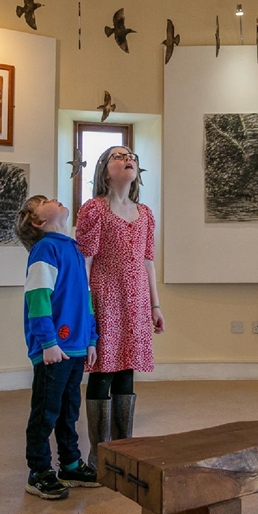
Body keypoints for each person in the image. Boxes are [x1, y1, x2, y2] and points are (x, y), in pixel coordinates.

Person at [75, 145, 165, 468]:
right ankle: (99, 455)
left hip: (136, 302)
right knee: (102, 371)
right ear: (104, 170)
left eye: (131, 157)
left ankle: (123, 451)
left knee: (126, 371)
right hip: (105, 299)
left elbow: (148, 262)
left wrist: (155, 305)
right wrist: (84, 307)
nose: (127, 159)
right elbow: (84, 261)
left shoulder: (146, 215)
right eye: (118, 156)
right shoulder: (94, 210)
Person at [14, 194, 100, 500]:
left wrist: (91, 338)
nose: (54, 198)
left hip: (76, 348)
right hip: (54, 349)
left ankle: (71, 463)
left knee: (69, 411)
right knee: (46, 412)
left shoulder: (74, 249)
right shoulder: (45, 249)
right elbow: (37, 298)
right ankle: (39, 470)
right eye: (44, 201)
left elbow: (85, 298)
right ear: (37, 221)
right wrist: (47, 342)